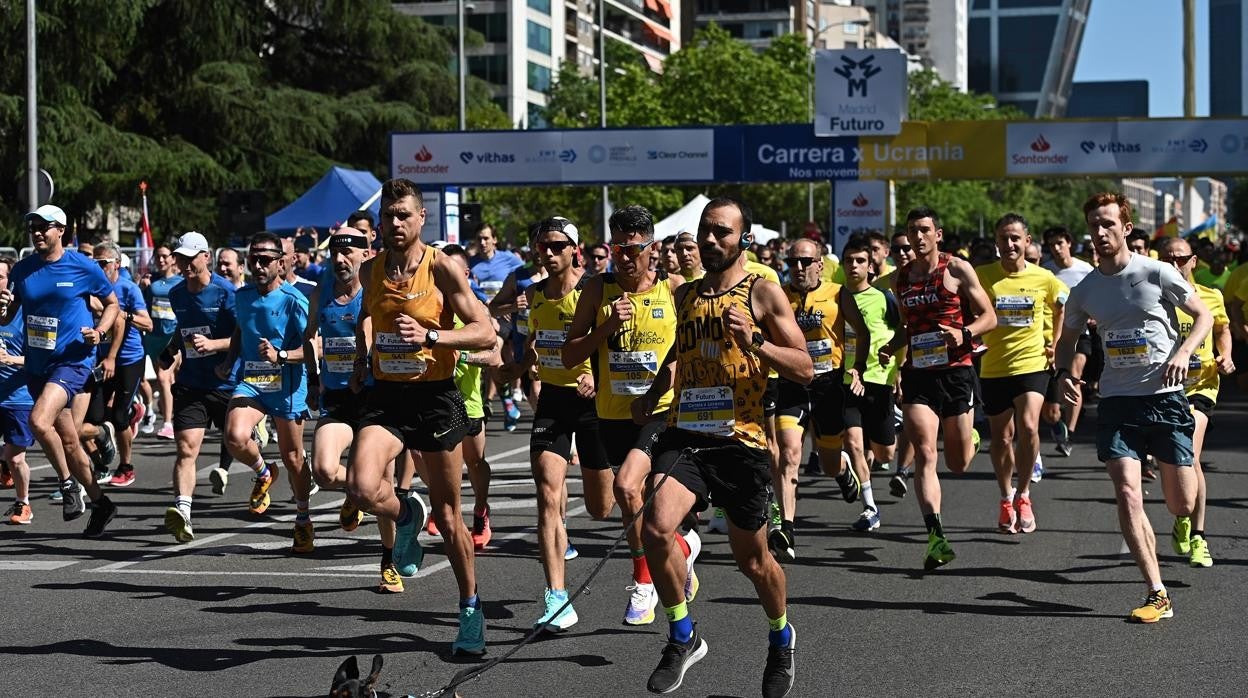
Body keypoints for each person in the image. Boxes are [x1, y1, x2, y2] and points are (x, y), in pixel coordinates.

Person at [633, 197, 812, 697]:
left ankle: (781, 637)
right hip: (688, 436)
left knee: (752, 561)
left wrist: (756, 340)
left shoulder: (763, 292)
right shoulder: (686, 295)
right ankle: (682, 635)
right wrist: (651, 394)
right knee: (654, 526)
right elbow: (679, 351)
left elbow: (803, 366)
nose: (711, 241)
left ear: (743, 240)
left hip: (742, 442)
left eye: (722, 233)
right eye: (705, 231)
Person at [346, 178, 495, 655]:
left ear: (421, 218)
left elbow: (485, 333)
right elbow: (366, 316)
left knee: (451, 519)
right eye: (388, 215)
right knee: (362, 487)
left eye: (403, 215)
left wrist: (431, 339)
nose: (394, 223)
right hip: (387, 395)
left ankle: (470, 606)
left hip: (435, 396)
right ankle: (407, 511)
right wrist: (361, 354)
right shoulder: (371, 271)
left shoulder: (443, 268)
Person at [1056, 192, 1210, 623]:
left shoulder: (1156, 272)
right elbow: (1066, 342)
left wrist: (1183, 354)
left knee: (1180, 503)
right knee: (1126, 491)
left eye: (1108, 224)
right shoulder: (1084, 290)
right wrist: (1066, 375)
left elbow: (1203, 317)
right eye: (1094, 226)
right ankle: (1156, 592)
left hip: (1165, 398)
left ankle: (1184, 517)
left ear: (1126, 228)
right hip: (1118, 401)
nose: (1100, 233)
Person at [562, 204, 699, 627]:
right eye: (618, 247)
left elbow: (684, 353)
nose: (625, 257)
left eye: (634, 249)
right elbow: (569, 354)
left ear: (652, 249)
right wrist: (605, 327)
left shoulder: (674, 289)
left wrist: (663, 390)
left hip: (660, 412)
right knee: (630, 500)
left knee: (626, 485)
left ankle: (643, 582)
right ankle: (683, 546)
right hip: (612, 412)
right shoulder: (596, 290)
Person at [500, 215, 613, 631]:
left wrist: (595, 376)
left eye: (556, 246)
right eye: (542, 247)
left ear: (574, 250)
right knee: (548, 496)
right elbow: (534, 346)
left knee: (602, 508)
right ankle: (557, 597)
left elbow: (614, 346)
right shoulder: (533, 295)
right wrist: (514, 370)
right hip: (552, 402)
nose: (547, 254)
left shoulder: (593, 291)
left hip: (593, 402)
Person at [880, 206, 997, 570]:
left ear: (938, 234)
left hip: (956, 371)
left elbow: (989, 317)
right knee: (925, 452)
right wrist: (891, 345)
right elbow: (908, 327)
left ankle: (972, 439)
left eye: (924, 230)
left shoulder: (957, 269)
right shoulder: (900, 278)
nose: (917, 237)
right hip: (918, 374)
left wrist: (962, 333)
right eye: (912, 230)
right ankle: (936, 536)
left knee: (958, 463)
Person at [0, 205, 122, 536]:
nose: (37, 232)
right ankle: (101, 502)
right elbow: (8, 316)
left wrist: (100, 332)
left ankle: (68, 485)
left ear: (61, 231)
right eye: (32, 227)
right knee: (69, 442)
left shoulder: (82, 266)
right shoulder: (23, 269)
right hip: (37, 365)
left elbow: (113, 305)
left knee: (38, 421)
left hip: (72, 360)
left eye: (44, 227)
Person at [770, 237, 868, 560]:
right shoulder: (780, 297)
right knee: (789, 453)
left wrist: (858, 370)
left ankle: (842, 472)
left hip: (829, 387)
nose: (799, 267)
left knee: (828, 462)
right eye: (794, 261)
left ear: (820, 265)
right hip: (792, 386)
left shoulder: (838, 294)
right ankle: (787, 529)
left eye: (806, 261)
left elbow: (862, 332)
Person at [217, 232, 313, 551]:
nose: (257, 265)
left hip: (286, 385)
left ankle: (302, 517)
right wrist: (229, 360)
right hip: (253, 382)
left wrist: (282, 355)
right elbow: (240, 329)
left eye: (265, 260)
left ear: (281, 263)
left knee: (294, 456)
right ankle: (264, 471)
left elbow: (317, 348)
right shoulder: (242, 296)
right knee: (234, 436)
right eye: (253, 259)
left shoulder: (294, 300)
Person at [974, 215, 1068, 535]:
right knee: (1001, 437)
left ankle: (1024, 494)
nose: (1010, 244)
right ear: (997, 242)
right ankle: (1005, 496)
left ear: (1027, 241)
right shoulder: (982, 275)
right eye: (1003, 238)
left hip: (1032, 364)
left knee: (1028, 426)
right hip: (994, 366)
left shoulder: (1045, 278)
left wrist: (1055, 344)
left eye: (1016, 238)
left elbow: (1063, 306)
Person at [1159, 237, 1233, 568]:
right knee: (1187, 461)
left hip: (1201, 387)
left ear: (1194, 262)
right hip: (1164, 390)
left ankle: (1197, 534)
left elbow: (1221, 330)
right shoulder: (1154, 298)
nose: (1174, 265)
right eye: (1167, 259)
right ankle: (1183, 515)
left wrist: (1226, 355)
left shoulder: (1211, 296)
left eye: (1181, 259)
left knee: (1189, 450)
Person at [163, 232, 239, 542]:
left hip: (225, 380)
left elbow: (243, 334)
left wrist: (214, 345)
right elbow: (184, 331)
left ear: (206, 256)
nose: (185, 263)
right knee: (186, 449)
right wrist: (171, 349)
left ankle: (263, 470)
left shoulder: (226, 292)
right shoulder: (176, 293)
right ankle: (183, 512)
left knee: (238, 443)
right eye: (180, 257)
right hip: (191, 382)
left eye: (191, 257)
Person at [441, 244, 502, 551]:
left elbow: (494, 357)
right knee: (437, 465)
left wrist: (461, 355)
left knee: (475, 462)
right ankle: (451, 517)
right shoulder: (431, 306)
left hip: (469, 401)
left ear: (465, 273)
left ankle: (481, 509)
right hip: (437, 400)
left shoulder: (477, 310)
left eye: (452, 269)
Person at [839, 237, 901, 532]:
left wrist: (898, 370)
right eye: (849, 260)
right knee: (852, 442)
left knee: (885, 453)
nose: (854, 265)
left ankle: (894, 425)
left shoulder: (884, 298)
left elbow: (901, 334)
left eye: (860, 260)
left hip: (879, 379)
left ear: (870, 265)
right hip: (846, 380)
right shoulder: (835, 298)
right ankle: (870, 507)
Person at [80, 242, 154, 487]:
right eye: (95, 263)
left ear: (116, 264)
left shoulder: (128, 288)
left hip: (128, 359)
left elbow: (148, 324)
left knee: (120, 416)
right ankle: (103, 449)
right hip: (100, 360)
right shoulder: (89, 288)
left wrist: (121, 314)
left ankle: (126, 467)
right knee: (94, 417)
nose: (99, 268)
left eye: (103, 263)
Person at [1042, 226, 1095, 456]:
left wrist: (1094, 314)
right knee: (1053, 400)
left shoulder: (1085, 269)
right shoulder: (1045, 271)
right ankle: (1058, 423)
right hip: (1054, 334)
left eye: (1060, 243)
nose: (1056, 248)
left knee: (1074, 374)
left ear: (1069, 244)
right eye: (1052, 244)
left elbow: (1098, 295)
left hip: (1081, 331)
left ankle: (1069, 434)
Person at [0, 258, 35, 525]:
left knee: (15, 456)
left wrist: (11, 360)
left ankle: (23, 503)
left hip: (18, 397)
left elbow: (41, 357)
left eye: (0, 277)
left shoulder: (24, 316)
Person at [140, 244, 180, 439]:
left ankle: (168, 424)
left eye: (165, 256)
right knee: (167, 380)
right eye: (158, 257)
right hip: (155, 339)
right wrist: (143, 288)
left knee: (165, 378)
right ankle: (172, 416)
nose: (161, 260)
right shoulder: (152, 281)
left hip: (173, 338)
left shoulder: (181, 282)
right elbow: (145, 307)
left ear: (173, 259)